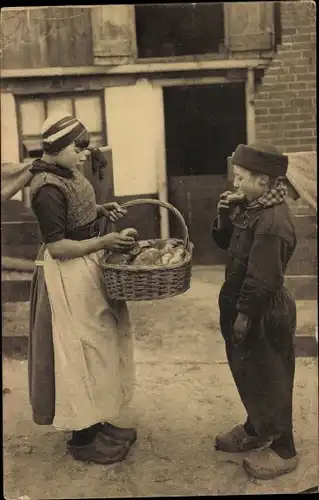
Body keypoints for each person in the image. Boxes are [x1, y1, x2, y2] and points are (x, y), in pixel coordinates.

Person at [28, 113, 137, 465]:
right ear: (57, 148)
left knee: (100, 344)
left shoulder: (68, 173)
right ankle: (82, 437)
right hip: (66, 275)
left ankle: (98, 421)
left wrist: (101, 209)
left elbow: (76, 213)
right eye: (78, 148)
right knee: (78, 352)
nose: (84, 155)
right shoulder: (46, 187)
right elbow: (58, 247)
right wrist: (104, 239)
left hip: (84, 267)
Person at [211, 142, 299, 480]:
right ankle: (257, 427)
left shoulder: (273, 220)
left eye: (241, 178)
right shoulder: (251, 206)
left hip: (263, 309)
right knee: (249, 372)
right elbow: (225, 243)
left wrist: (245, 315)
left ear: (262, 181)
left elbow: (264, 277)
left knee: (272, 376)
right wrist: (224, 213)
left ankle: (285, 448)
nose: (235, 184)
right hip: (241, 303)